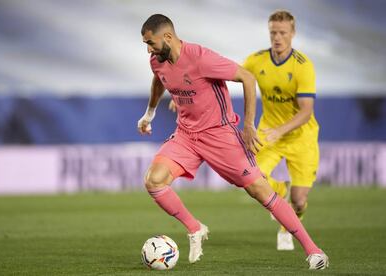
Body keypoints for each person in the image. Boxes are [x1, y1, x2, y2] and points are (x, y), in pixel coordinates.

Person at [138, 14, 328, 269]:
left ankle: (313, 251)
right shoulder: (156, 60)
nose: (149, 49)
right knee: (154, 180)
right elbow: (159, 80)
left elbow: (247, 79)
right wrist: (149, 113)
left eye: (151, 43)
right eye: (146, 45)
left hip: (220, 136)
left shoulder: (201, 57)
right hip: (186, 135)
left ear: (168, 37)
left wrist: (248, 126)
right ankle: (195, 228)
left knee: (260, 191)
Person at [242, 10, 320, 251]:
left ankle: (288, 224)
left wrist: (281, 130)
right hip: (268, 134)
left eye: (282, 33)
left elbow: (306, 111)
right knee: (250, 178)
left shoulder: (303, 66)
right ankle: (279, 190)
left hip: (301, 137)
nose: (277, 37)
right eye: (273, 32)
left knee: (299, 200)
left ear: (292, 33)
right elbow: (229, 75)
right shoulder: (256, 60)